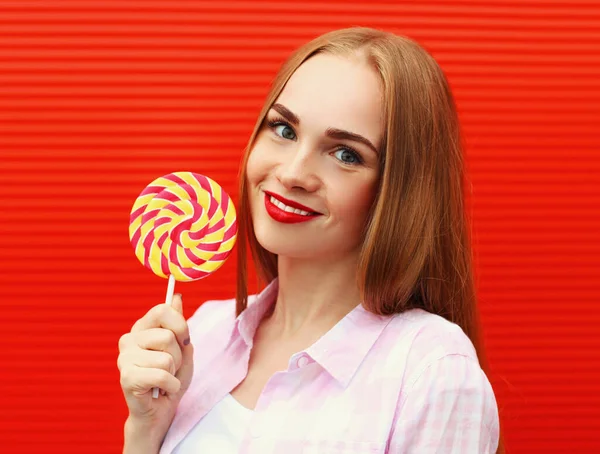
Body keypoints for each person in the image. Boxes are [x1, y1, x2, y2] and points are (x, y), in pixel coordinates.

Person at [118, 27, 503, 453]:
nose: (292, 173)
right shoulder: (204, 333)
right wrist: (145, 429)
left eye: (345, 154)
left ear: (399, 191)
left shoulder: (432, 373)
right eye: (284, 129)